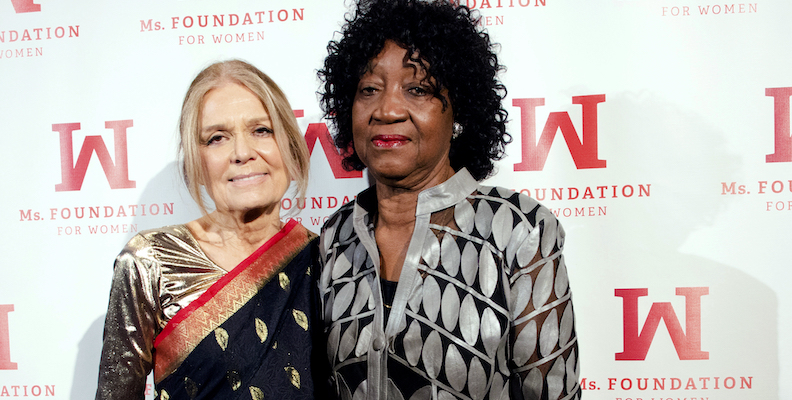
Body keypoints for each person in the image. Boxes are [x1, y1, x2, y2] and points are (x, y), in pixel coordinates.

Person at [317, 1, 581, 399]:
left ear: (459, 112)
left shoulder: (518, 230)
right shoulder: (335, 237)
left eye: (417, 89)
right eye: (369, 89)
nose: (387, 109)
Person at [96, 60, 321, 400]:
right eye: (217, 138)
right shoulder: (151, 262)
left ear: (289, 146)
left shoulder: (327, 261)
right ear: (196, 163)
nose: (242, 153)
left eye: (261, 130)